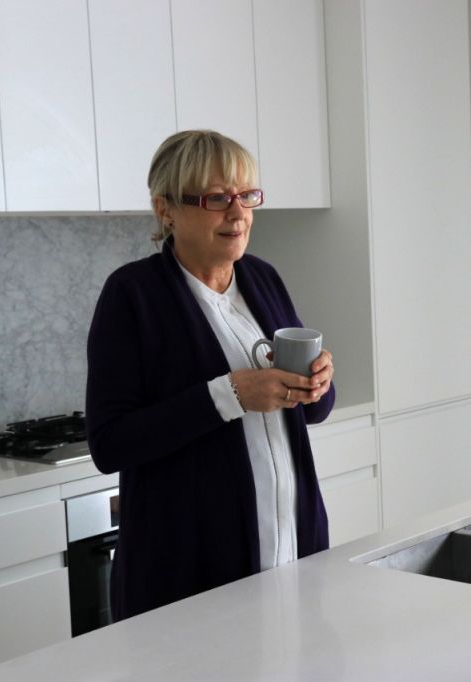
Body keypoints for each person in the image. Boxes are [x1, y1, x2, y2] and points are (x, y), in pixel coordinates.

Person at [86, 130, 336, 621]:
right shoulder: (132, 295)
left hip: (292, 549)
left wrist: (318, 385)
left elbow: (312, 413)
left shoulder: (262, 277)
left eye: (246, 195)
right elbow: (110, 444)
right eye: (217, 198)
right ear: (166, 210)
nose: (238, 212)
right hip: (191, 570)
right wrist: (230, 395)